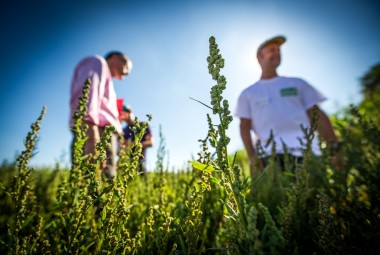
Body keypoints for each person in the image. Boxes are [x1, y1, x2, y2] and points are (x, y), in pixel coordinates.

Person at [235, 35, 339, 175]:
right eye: (272, 50)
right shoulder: (248, 94)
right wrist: (252, 158)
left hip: (307, 154)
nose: (277, 53)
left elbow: (317, 115)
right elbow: (244, 127)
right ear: (259, 57)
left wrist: (334, 148)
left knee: (316, 195)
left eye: (278, 50)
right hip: (269, 158)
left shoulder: (297, 83)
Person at [70, 51, 133, 178]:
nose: (126, 73)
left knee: (93, 180)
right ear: (114, 58)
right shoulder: (98, 62)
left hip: (100, 131)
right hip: (97, 132)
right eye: (126, 66)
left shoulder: (106, 77)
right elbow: (86, 94)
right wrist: (92, 135)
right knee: (99, 181)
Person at [122, 105, 153, 176]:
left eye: (124, 113)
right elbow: (123, 146)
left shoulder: (143, 125)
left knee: (142, 179)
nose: (122, 116)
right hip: (128, 163)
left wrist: (137, 145)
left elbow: (151, 143)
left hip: (141, 163)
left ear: (129, 112)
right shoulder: (124, 130)